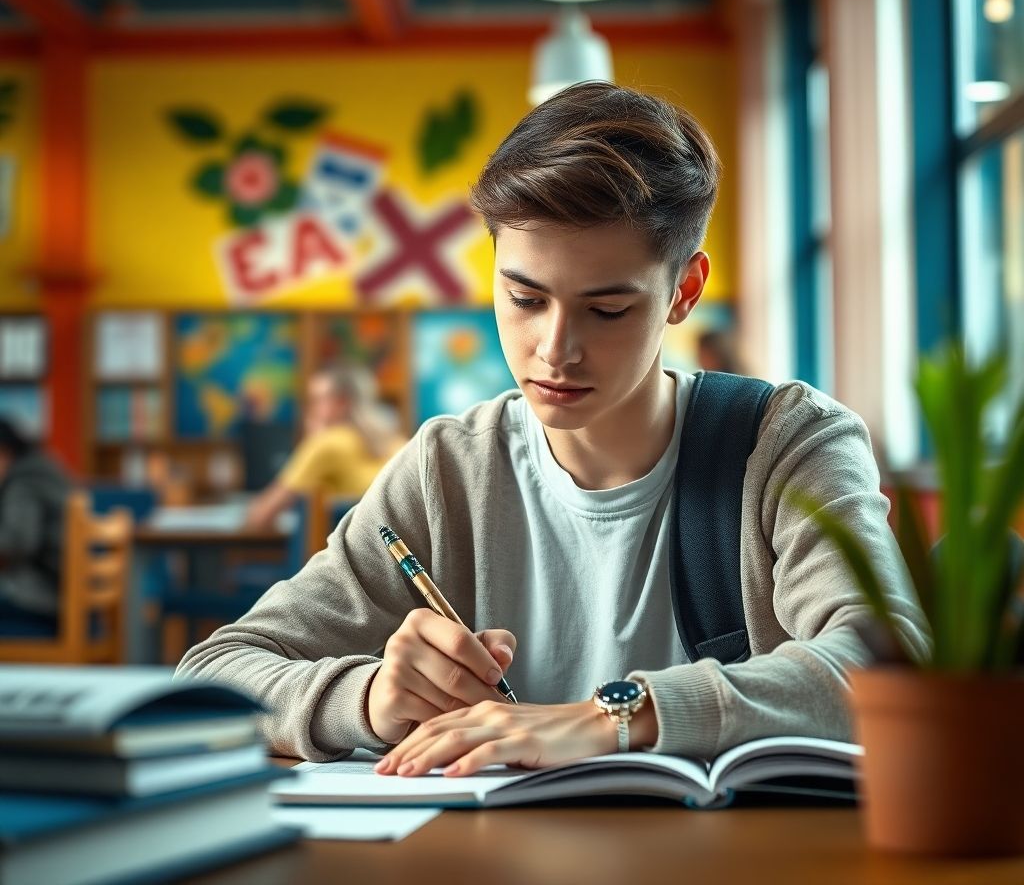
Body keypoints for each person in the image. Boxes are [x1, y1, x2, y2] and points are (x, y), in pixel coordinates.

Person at [179, 82, 927, 775]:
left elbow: (884, 663)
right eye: (526, 298)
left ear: (684, 291)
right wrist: (369, 697)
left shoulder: (790, 445)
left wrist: (615, 718)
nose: (555, 349)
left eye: (607, 309)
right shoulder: (448, 469)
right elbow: (214, 673)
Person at [243, 364, 406, 530]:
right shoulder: (399, 444)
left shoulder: (328, 443)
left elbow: (260, 517)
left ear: (342, 402)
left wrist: (312, 441)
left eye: (316, 401)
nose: (308, 410)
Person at [0, 417, 73, 633]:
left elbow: (16, 543)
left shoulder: (23, 482)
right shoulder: (43, 469)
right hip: (63, 590)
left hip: (43, 594)